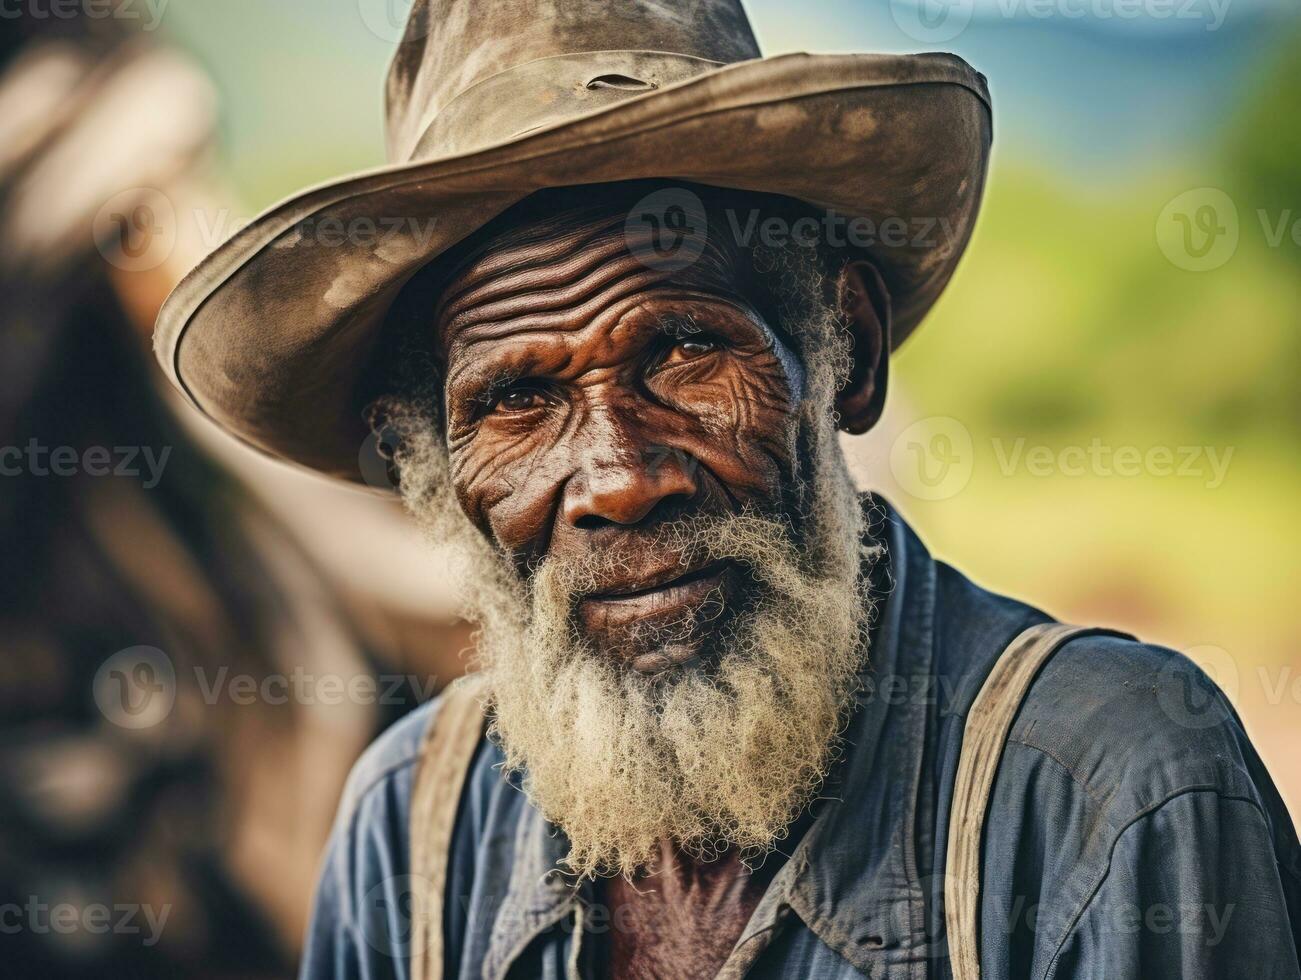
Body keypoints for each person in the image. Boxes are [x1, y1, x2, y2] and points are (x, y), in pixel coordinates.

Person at [152, 2, 1301, 978]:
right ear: (431, 476)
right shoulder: (406, 836)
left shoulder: (1114, 792)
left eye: (683, 351)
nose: (617, 476)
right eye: (515, 401)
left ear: (844, 353)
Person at [0, 14, 387, 977]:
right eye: (137, 223)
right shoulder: (58, 636)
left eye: (198, 176)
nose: (201, 243)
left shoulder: (259, 520)